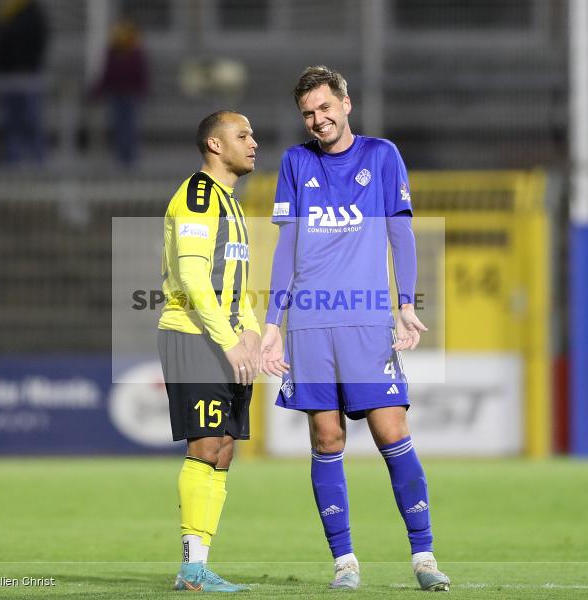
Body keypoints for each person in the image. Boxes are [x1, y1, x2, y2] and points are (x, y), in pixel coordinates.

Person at [260, 66, 451, 592]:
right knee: (327, 436)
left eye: (325, 108)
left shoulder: (382, 155)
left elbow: (402, 233)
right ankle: (345, 561)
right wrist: (272, 322)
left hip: (367, 319)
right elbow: (287, 249)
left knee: (392, 431)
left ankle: (424, 555)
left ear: (346, 103)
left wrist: (405, 303)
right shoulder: (296, 162)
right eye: (308, 113)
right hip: (311, 323)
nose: (317, 120)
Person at [158, 111, 260, 592]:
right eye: (242, 136)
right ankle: (190, 568)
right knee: (203, 445)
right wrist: (230, 340)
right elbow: (196, 279)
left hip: (225, 337)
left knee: (222, 449)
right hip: (194, 334)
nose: (253, 142)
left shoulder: (230, 202)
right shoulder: (199, 196)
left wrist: (254, 332)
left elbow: (235, 282)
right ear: (215, 146)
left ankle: (199, 564)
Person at [0, 0, 48, 165]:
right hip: (7, 74)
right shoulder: (5, 14)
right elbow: (0, 44)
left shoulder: (32, 12)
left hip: (27, 73)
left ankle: (37, 160)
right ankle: (13, 159)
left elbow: (39, 40)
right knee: (10, 121)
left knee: (31, 119)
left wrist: (27, 65)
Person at [88, 18, 149, 164]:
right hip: (117, 95)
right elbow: (107, 76)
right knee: (120, 126)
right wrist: (96, 92)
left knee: (128, 126)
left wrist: (142, 90)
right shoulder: (114, 52)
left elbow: (140, 74)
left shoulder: (134, 53)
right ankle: (122, 156)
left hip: (130, 95)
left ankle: (129, 156)